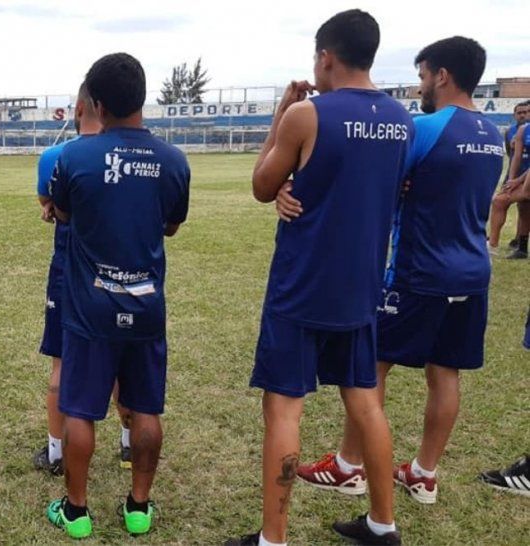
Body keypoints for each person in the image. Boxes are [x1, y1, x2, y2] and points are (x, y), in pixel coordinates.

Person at [290, 36, 504, 511]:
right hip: (472, 273)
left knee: (370, 367)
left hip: (419, 271)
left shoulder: (425, 128)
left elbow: (378, 180)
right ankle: (424, 474)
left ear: (442, 76)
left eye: (423, 76)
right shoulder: (493, 134)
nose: (420, 86)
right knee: (445, 371)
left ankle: (348, 466)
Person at [225, 10, 412, 546]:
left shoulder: (307, 115)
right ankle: (382, 524)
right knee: (365, 401)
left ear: (326, 57)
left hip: (302, 285)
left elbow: (262, 186)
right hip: (361, 285)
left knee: (284, 407)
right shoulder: (401, 120)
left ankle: (273, 538)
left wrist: (281, 117)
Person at [45, 52, 190, 539]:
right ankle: (138, 507)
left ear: (98, 105)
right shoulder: (174, 161)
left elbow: (63, 215)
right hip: (146, 304)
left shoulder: (73, 158)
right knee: (145, 408)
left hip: (90, 306)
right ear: (142, 100)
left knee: (81, 409)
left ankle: (76, 511)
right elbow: (171, 225)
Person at [32, 82, 133, 478]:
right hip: (120, 272)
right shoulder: (132, 157)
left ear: (79, 109)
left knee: (63, 363)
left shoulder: (55, 157)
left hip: (70, 271)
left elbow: (50, 206)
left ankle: (57, 451)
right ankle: (129, 443)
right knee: (123, 363)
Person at [489, 101, 530, 259]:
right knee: (501, 201)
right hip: (520, 177)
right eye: (522, 112)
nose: (525, 115)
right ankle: (494, 245)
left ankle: (520, 244)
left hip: (525, 177)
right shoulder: (520, 131)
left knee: (524, 207)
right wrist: (511, 180)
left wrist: (518, 181)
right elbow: (514, 156)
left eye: (527, 111)